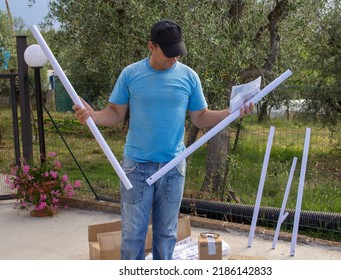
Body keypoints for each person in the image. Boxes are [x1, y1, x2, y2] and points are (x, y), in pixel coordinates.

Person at [73, 19, 253, 260]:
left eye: (178, 53)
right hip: (136, 166)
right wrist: (92, 116)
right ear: (151, 46)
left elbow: (200, 118)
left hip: (173, 167)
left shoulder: (189, 77)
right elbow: (115, 113)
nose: (174, 59)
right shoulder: (131, 74)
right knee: (133, 234)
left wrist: (232, 112)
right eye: (168, 53)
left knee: (167, 234)